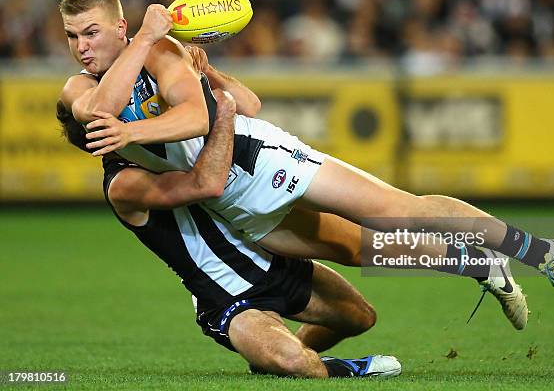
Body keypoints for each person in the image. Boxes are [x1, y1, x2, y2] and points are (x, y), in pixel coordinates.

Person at [62, 0, 554, 332]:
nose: (82, 47)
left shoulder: (161, 51)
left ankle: (545, 254)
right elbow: (97, 112)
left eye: (91, 32)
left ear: (121, 26)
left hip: (257, 160)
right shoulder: (78, 87)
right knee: (364, 252)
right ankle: (479, 265)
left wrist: (153, 47)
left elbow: (199, 119)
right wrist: (146, 45)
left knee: (402, 211)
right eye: (72, 36)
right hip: (233, 208)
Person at [57, 85, 402, 378]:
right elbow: (207, 183)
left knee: (361, 317)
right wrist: (221, 111)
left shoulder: (171, 143)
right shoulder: (122, 183)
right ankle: (340, 368)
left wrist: (208, 76)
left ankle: (275, 355)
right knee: (293, 360)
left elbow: (250, 105)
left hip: (272, 261)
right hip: (226, 297)